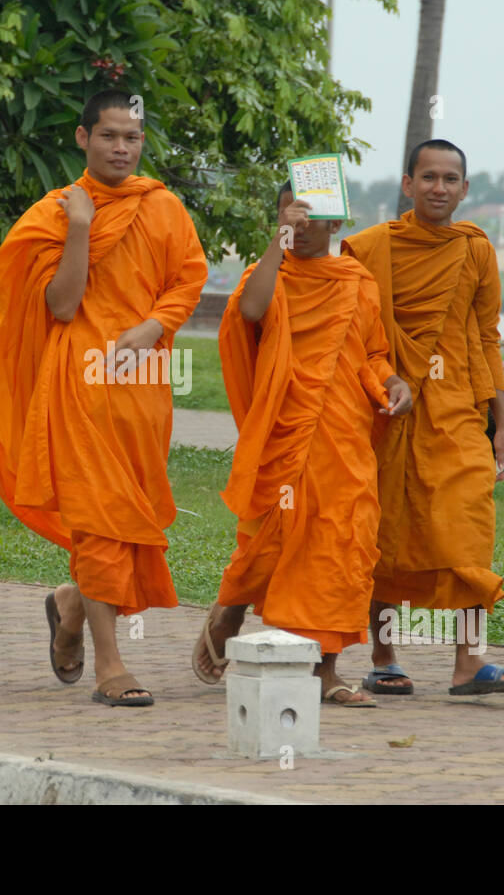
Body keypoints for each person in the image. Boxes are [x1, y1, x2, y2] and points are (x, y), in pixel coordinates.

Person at [0, 89, 208, 708]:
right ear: (83, 139)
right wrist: (81, 227)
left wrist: (156, 325)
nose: (121, 148)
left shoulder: (163, 208)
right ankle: (112, 664)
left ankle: (69, 605)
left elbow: (188, 279)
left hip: (143, 386)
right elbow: (62, 305)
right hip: (78, 382)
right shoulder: (54, 212)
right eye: (109, 136)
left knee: (132, 522)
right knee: (100, 524)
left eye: (132, 137)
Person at [192, 180, 411, 706]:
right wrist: (279, 241)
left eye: (316, 215)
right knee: (271, 539)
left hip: (344, 436)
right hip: (284, 432)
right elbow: (250, 311)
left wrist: (394, 382)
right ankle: (232, 607)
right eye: (294, 212)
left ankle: (326, 669)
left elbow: (372, 354)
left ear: (338, 223)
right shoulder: (270, 274)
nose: (305, 222)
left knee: (341, 543)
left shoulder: (356, 281)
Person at [343, 139, 504, 697]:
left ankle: (469, 663)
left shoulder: (475, 249)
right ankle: (384, 657)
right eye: (429, 178)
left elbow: (488, 337)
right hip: (389, 408)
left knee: (469, 528)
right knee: (386, 532)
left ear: (465, 189)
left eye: (450, 179)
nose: (439, 188)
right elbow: (352, 332)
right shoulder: (371, 247)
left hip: (455, 413)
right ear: (407, 184)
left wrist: (503, 425)